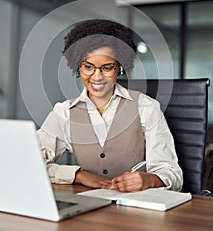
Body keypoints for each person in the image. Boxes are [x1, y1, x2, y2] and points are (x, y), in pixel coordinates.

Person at [37, 19, 183, 192]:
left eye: (107, 68)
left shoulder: (146, 107)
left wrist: (149, 180)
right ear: (78, 66)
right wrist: (77, 175)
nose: (97, 77)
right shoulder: (64, 113)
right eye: (88, 67)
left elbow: (172, 173)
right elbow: (31, 161)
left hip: (138, 208)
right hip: (89, 206)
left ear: (120, 68)